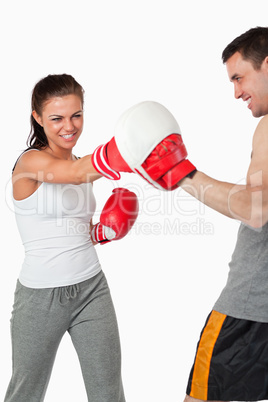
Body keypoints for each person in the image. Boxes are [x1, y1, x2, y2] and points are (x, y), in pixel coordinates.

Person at [5, 74, 195, 402]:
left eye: (76, 115)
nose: (69, 126)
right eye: (57, 118)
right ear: (37, 118)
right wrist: (137, 143)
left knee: (108, 392)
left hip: (92, 288)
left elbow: (74, 220)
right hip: (40, 298)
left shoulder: (84, 164)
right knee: (26, 393)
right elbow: (76, 175)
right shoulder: (29, 162)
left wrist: (102, 232)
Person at [177, 26, 268, 402]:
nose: (236, 92)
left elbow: (255, 209)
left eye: (239, 77)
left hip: (252, 311)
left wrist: (181, 174)